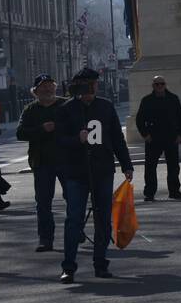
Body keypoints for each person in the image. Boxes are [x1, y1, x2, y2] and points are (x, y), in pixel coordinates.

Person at [56, 67, 133, 283]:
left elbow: (117, 138)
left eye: (94, 84)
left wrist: (126, 164)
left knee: (103, 219)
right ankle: (69, 267)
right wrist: (75, 140)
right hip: (76, 171)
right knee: (74, 219)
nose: (91, 89)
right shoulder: (67, 109)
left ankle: (101, 263)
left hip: (102, 169)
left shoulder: (105, 107)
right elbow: (59, 140)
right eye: (87, 84)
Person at [16, 75, 66, 251]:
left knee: (74, 198)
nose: (47, 90)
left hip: (67, 160)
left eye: (50, 86)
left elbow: (77, 126)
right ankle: (45, 238)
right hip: (42, 161)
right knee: (43, 202)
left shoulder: (65, 105)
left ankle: (76, 228)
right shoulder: (30, 109)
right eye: (43, 87)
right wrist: (41, 130)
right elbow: (20, 133)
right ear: (35, 91)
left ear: (55, 87)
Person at [135, 75, 181, 202]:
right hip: (153, 137)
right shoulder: (146, 100)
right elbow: (139, 119)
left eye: (162, 84)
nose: (159, 86)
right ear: (153, 86)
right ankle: (149, 192)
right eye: (157, 84)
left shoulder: (173, 98)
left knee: (174, 166)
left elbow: (180, 117)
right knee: (150, 167)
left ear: (165, 85)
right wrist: (145, 135)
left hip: (171, 137)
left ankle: (174, 191)